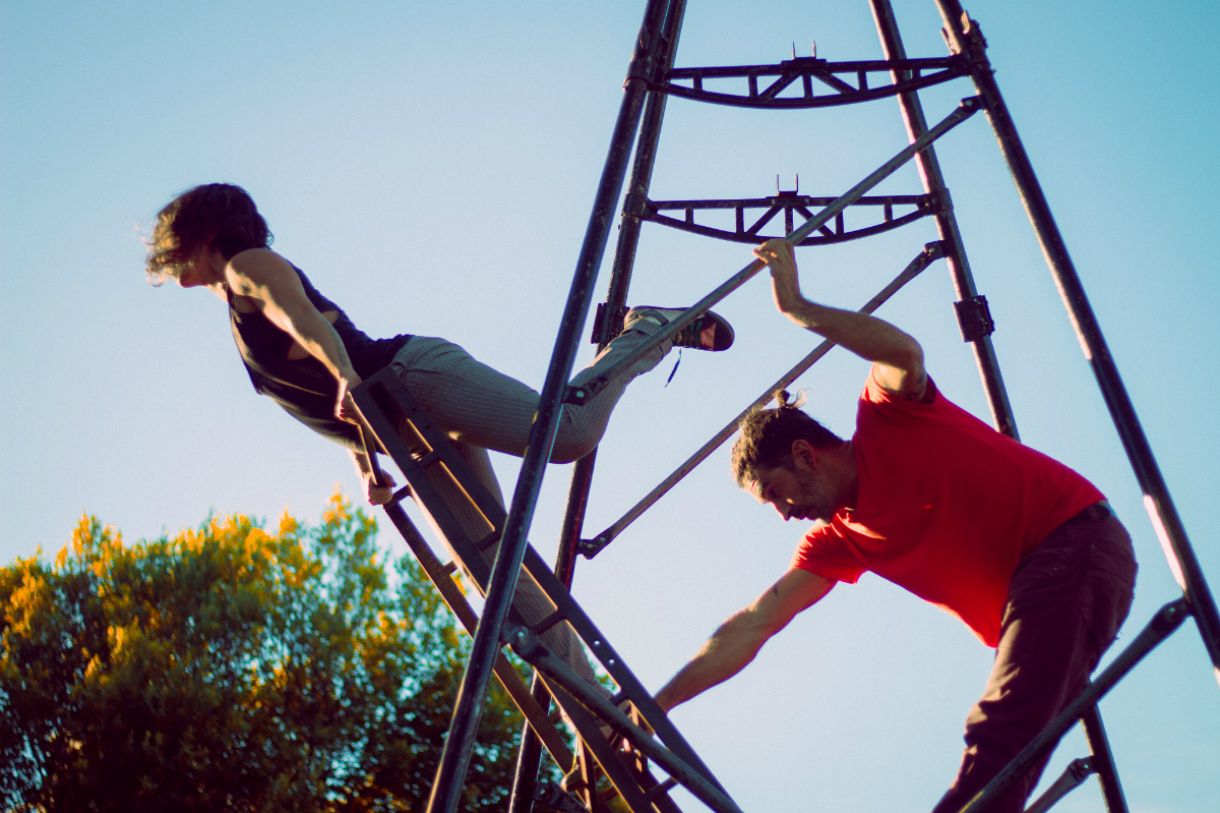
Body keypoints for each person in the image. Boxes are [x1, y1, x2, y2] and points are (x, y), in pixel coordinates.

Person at [145, 181, 734, 693]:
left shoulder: (249, 265)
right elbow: (320, 386)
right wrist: (367, 462)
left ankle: (649, 330)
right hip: (402, 431)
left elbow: (306, 320)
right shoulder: (233, 309)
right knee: (495, 576)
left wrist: (349, 379)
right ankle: (597, 716)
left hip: (413, 379)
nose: (167, 259)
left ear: (202, 231)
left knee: (566, 436)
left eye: (173, 239)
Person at [653, 238, 1136, 812]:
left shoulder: (889, 417)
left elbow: (904, 351)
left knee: (1000, 728)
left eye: (777, 496)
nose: (784, 515)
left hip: (1073, 541)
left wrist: (798, 308)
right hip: (1036, 594)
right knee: (1012, 735)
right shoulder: (839, 540)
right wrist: (650, 709)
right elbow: (754, 625)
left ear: (806, 455)